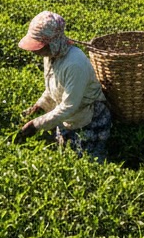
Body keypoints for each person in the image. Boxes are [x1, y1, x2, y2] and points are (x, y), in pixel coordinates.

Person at [17, 11, 112, 161]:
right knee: (66, 157)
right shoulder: (50, 55)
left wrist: (36, 125)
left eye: (39, 46)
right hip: (68, 118)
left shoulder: (75, 64)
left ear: (53, 43)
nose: (35, 51)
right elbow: (52, 89)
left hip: (88, 120)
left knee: (88, 163)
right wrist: (39, 106)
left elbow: (69, 106)